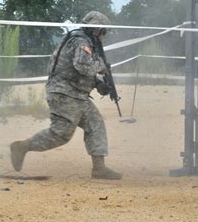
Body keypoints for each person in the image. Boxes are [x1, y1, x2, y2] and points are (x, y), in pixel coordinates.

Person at [10, 11, 122, 180]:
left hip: (77, 94)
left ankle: (99, 168)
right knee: (60, 134)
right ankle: (22, 147)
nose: (104, 36)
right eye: (103, 32)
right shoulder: (80, 41)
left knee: (96, 125)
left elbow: (80, 71)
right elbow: (82, 66)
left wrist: (99, 84)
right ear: (95, 30)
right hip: (65, 93)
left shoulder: (85, 41)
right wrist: (102, 66)